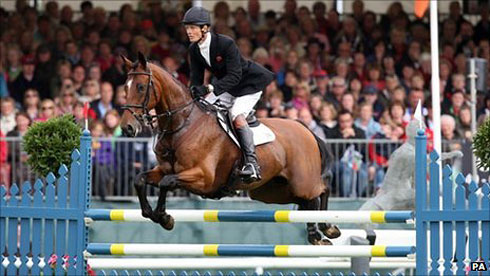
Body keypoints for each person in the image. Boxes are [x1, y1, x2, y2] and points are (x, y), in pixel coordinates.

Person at [183, 6, 274, 183]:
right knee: (203, 110)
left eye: (193, 27)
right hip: (228, 87)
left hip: (249, 84)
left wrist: (209, 89)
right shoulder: (194, 49)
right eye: (187, 27)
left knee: (236, 116)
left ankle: (251, 164)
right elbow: (196, 78)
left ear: (205, 28)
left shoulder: (225, 43)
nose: (189, 31)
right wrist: (192, 95)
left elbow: (235, 75)